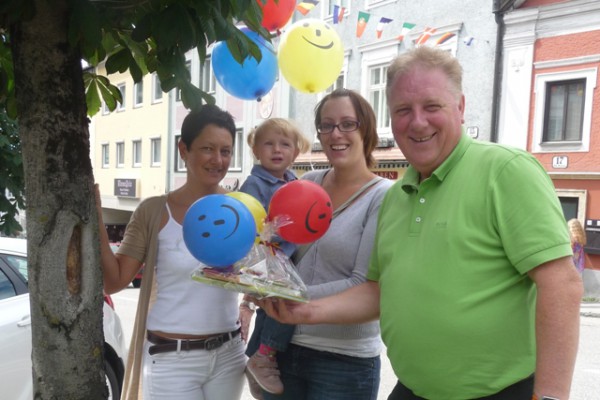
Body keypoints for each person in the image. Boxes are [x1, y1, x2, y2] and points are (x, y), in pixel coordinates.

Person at [257, 47, 583, 400]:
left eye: (431, 106)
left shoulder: (505, 170)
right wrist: (305, 309)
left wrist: (550, 396)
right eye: (402, 110)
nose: (417, 122)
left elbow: (561, 284)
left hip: (500, 392)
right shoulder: (397, 195)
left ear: (459, 107)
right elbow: (378, 290)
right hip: (412, 390)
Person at [97, 104, 247, 400]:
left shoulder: (241, 210)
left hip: (229, 355)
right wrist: (96, 218)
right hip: (170, 358)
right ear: (184, 149)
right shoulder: (154, 211)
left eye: (226, 151)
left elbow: (258, 274)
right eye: (208, 148)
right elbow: (113, 281)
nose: (218, 160)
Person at [257, 88, 393, 400]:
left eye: (348, 124)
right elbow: (279, 252)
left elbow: (363, 282)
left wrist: (286, 294)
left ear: (367, 129)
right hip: (284, 351)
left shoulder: (384, 196)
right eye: (326, 125)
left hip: (344, 360)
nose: (336, 134)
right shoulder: (306, 184)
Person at [239, 118, 311, 397]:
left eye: (285, 144)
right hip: (265, 256)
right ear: (256, 150)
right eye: (268, 144)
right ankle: (264, 355)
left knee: (271, 309)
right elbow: (249, 223)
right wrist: (273, 228)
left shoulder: (295, 181)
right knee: (285, 303)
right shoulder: (255, 183)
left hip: (287, 256)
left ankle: (257, 354)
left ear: (295, 152)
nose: (277, 149)